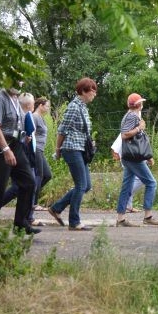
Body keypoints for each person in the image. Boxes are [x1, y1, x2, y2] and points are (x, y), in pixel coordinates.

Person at [0, 85, 41, 235]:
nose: (18, 84)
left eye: (21, 81)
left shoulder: (16, 99)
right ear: (6, 81)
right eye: (15, 80)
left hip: (16, 145)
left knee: (29, 182)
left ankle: (20, 224)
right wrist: (5, 150)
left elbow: (18, 123)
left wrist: (24, 137)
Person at [48, 77, 98, 230]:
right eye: (92, 91)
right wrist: (58, 150)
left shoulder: (82, 106)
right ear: (83, 91)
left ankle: (56, 208)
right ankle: (74, 222)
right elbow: (62, 130)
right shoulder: (74, 107)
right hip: (71, 149)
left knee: (86, 185)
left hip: (81, 149)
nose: (94, 94)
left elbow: (81, 130)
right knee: (81, 185)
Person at [114, 93, 158, 227]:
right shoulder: (132, 116)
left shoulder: (131, 115)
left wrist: (148, 156)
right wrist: (138, 128)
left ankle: (121, 218)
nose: (143, 104)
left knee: (127, 186)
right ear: (138, 104)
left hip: (130, 156)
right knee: (151, 183)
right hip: (134, 157)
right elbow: (124, 135)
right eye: (141, 102)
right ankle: (148, 216)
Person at [0, 92, 37, 213]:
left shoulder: (24, 115)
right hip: (14, 151)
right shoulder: (20, 116)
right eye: (33, 103)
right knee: (19, 186)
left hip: (21, 151)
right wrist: (23, 138)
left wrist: (24, 138)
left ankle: (25, 218)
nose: (34, 105)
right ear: (28, 104)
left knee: (25, 184)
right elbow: (11, 133)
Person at [111, 133, 143, 213]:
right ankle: (124, 200)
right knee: (140, 179)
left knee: (133, 180)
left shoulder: (135, 127)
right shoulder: (128, 127)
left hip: (133, 158)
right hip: (129, 158)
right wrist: (115, 153)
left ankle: (128, 205)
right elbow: (116, 145)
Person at [32, 97, 53, 211]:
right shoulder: (35, 117)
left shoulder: (41, 118)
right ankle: (33, 203)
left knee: (47, 175)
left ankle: (31, 197)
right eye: (47, 106)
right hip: (36, 149)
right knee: (39, 175)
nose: (48, 108)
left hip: (41, 150)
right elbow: (31, 134)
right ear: (40, 105)